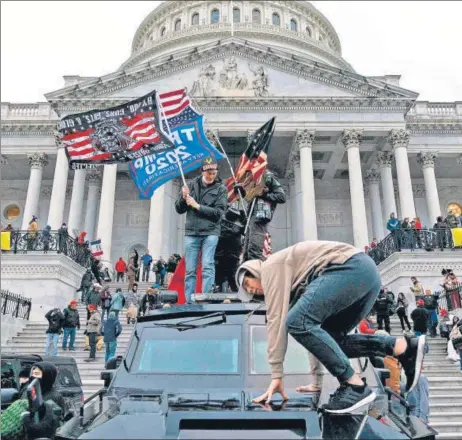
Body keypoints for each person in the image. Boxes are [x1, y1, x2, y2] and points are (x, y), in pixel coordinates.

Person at [236, 240, 426, 413]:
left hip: (349, 268)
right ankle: (402, 347)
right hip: (366, 276)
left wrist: (276, 375)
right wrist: (317, 382)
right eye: (248, 292)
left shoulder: (271, 267)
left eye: (247, 283)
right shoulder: (292, 284)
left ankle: (355, 386)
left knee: (296, 321)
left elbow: (276, 322)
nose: (251, 290)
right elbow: (315, 338)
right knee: (331, 340)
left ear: (254, 271)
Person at [175, 157, 228, 304]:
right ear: (202, 171)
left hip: (211, 232)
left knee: (207, 266)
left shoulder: (221, 189)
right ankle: (190, 302)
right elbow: (179, 209)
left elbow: (219, 213)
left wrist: (197, 206)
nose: (211, 175)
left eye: (213, 172)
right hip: (192, 232)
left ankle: (206, 299)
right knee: (190, 270)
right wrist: (183, 197)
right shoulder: (190, 185)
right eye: (208, 172)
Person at [240, 170, 286, 261]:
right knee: (246, 252)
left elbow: (281, 197)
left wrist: (265, 194)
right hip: (251, 219)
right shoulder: (254, 181)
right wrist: (242, 192)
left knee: (254, 251)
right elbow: (250, 199)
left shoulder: (268, 177)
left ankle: (255, 274)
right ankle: (247, 273)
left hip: (260, 218)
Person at [214, 207, 246, 292]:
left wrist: (244, 217)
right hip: (221, 258)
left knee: (234, 284)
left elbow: (246, 230)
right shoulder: (221, 223)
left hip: (230, 258)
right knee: (220, 283)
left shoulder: (238, 226)